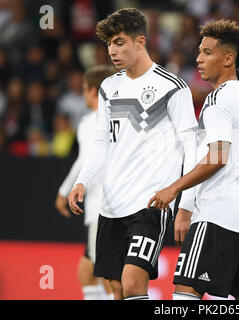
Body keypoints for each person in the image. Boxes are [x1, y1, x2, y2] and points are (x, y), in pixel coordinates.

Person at [68, 8, 198, 300]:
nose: (112, 51)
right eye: (109, 44)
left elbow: (191, 145)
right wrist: (83, 181)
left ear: (140, 42)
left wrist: (185, 203)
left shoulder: (171, 87)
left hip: (151, 203)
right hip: (111, 205)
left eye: (119, 42)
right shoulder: (109, 87)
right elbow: (100, 141)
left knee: (132, 283)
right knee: (117, 290)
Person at [148, 19, 239, 300]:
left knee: (185, 295)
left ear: (228, 58)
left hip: (218, 214)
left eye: (207, 52)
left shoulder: (218, 99)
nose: (198, 58)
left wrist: (175, 188)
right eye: (199, 51)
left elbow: (219, 156)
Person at [56, 65, 116, 300]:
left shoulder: (92, 121)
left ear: (93, 90)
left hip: (101, 207)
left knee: (106, 274)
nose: (82, 93)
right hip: (111, 204)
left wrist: (63, 191)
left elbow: (84, 160)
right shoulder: (120, 118)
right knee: (87, 271)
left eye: (84, 88)